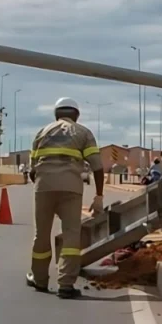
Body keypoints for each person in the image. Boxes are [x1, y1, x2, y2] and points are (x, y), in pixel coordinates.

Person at [26, 97, 105, 299]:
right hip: (71, 188)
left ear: (56, 114)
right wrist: (98, 196)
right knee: (71, 235)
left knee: (41, 234)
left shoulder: (41, 133)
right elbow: (97, 166)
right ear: (76, 115)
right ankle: (66, 284)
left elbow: (32, 172)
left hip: (43, 187)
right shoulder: (83, 132)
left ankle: (40, 279)